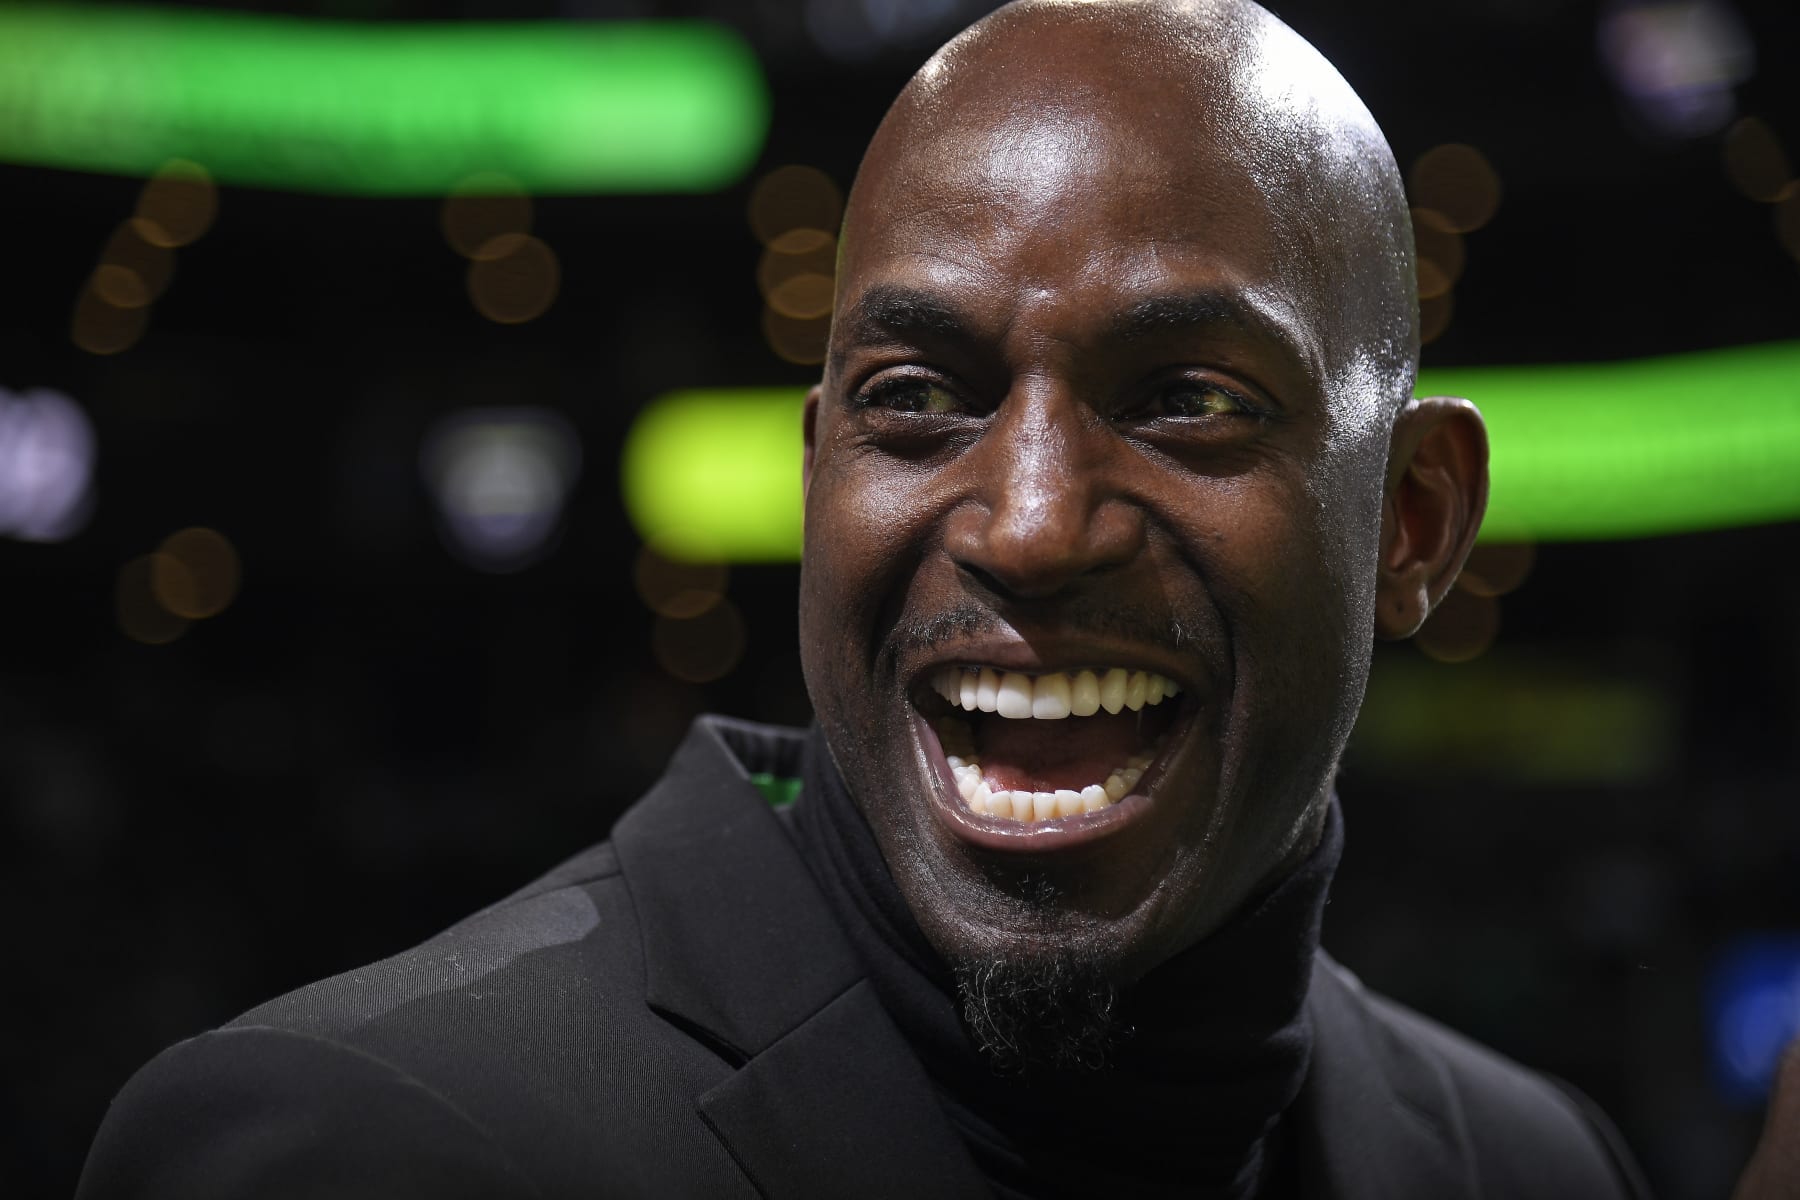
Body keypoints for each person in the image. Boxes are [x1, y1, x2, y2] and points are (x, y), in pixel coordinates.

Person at [75, 1, 1792, 1196]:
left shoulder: (1532, 1165)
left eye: (1187, 396)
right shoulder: (359, 1149)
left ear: (1415, 521)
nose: (1032, 527)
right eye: (918, 400)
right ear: (822, 480)